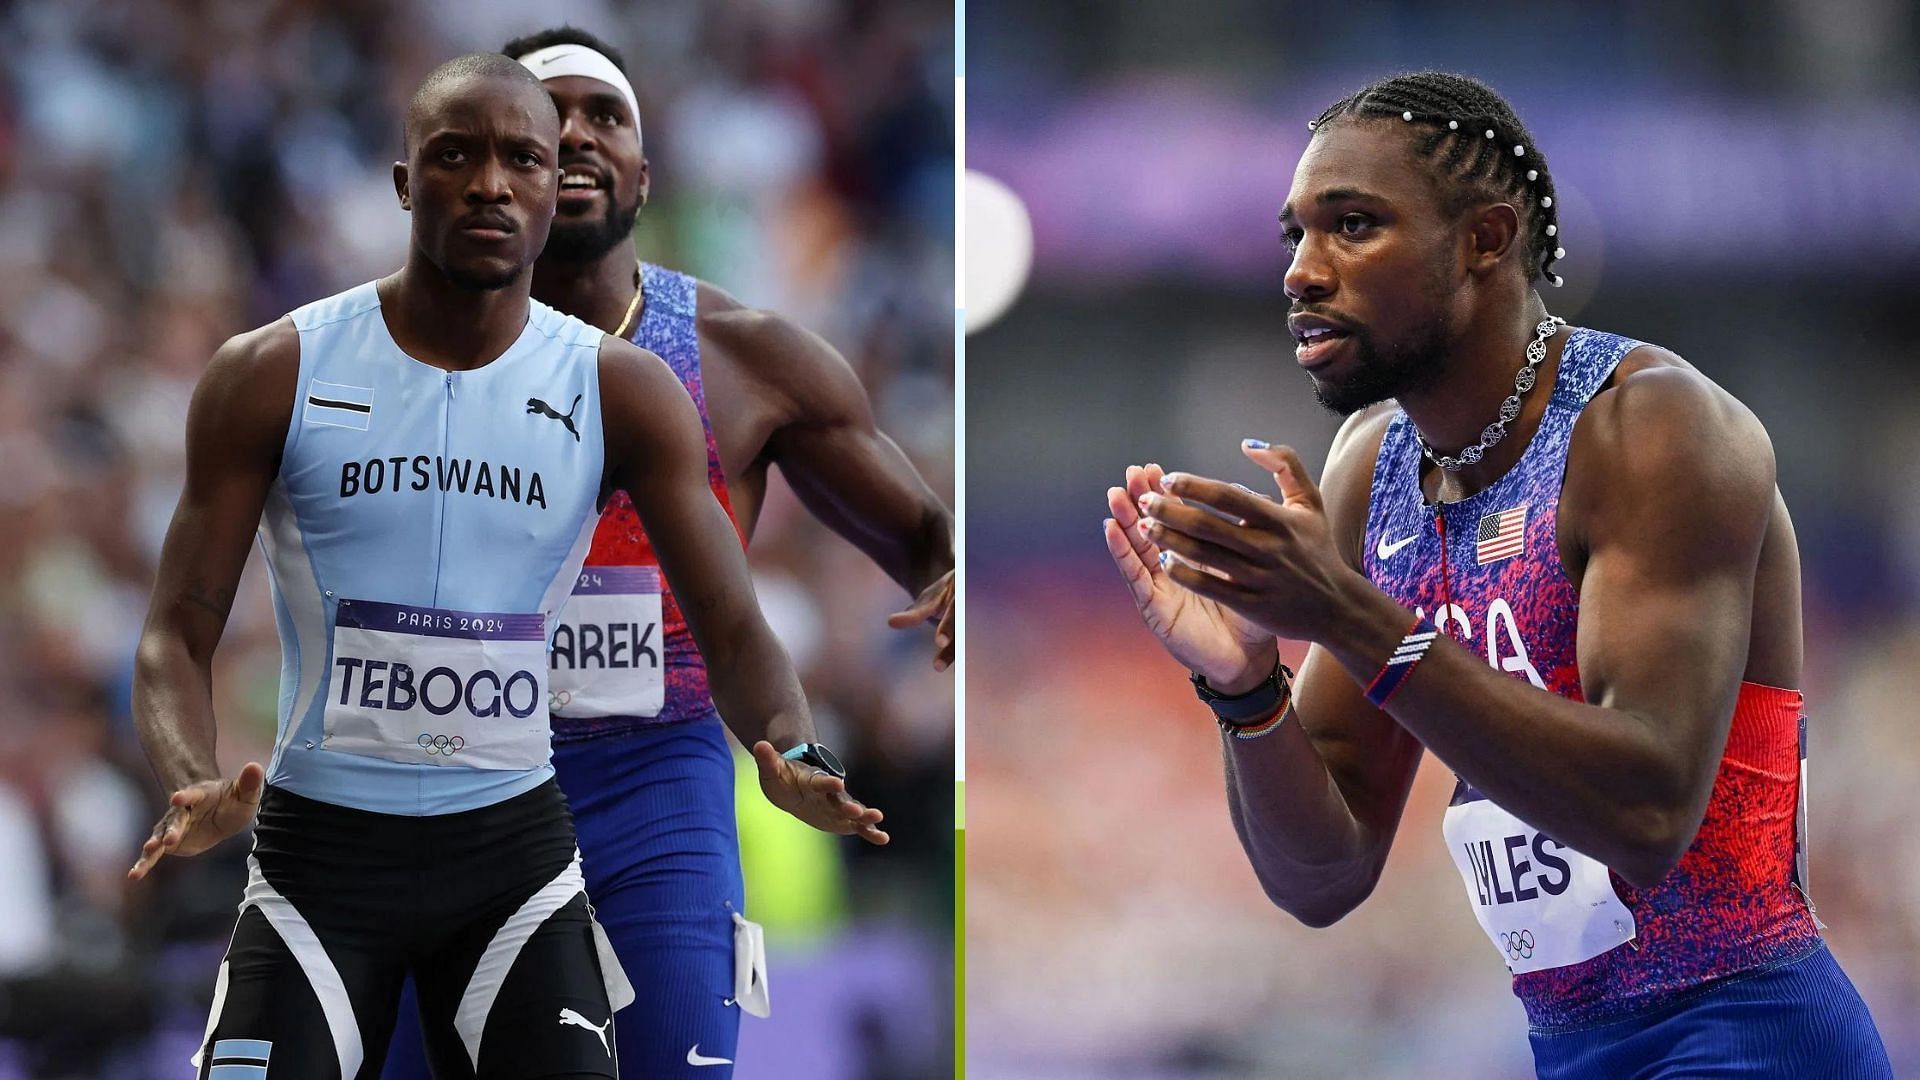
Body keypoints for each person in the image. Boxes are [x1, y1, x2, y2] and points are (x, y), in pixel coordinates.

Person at [1104, 71, 1891, 1078]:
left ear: (1485, 241)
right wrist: (1248, 688)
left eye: (1351, 226)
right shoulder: (1368, 469)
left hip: (1747, 1033)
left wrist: (1343, 612)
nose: (1303, 271)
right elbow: (1324, 877)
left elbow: (1646, 816)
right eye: (1294, 234)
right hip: (1566, 1049)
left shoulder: (1651, 431)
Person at [128, 52, 882, 1079]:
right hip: (319, 869)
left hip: (512, 871)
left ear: (550, 188)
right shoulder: (273, 370)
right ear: (403, 183)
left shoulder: (624, 390)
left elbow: (735, 625)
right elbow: (177, 628)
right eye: (455, 156)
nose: (489, 182)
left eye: (521, 159)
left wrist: (795, 750)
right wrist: (188, 778)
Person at [382, 27, 954, 1079]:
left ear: (645, 172)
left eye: (608, 116)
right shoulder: (379, 357)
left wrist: (952, 587)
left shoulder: (748, 362)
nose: (580, 134)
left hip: (656, 790)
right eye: (548, 114)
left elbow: (925, 537)